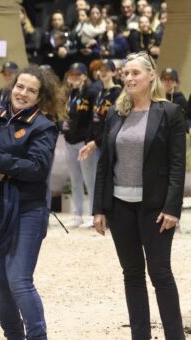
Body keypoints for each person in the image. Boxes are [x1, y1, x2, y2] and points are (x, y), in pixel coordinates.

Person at [93, 51, 186, 340]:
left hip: (156, 209)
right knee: (132, 275)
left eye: (135, 73)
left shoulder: (169, 113)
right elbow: (105, 164)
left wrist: (172, 208)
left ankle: (175, 336)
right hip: (120, 207)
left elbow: (176, 165)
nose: (129, 77)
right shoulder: (115, 113)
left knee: (160, 274)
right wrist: (99, 208)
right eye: (126, 73)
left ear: (151, 76)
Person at [0, 65, 65, 340]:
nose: (23, 93)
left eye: (31, 90)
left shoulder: (44, 127)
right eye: (20, 87)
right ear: (13, 87)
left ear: (40, 97)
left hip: (28, 211)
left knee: (19, 281)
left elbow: (37, 169)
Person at [61, 62, 98, 228]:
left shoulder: (91, 93)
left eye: (77, 74)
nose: (74, 77)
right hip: (70, 141)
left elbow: (92, 119)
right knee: (75, 179)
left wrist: (90, 140)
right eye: (71, 75)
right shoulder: (70, 93)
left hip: (84, 142)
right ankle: (77, 214)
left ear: (84, 76)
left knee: (90, 179)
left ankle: (93, 214)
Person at [79, 59, 122, 165]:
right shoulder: (99, 92)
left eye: (106, 70)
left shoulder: (118, 93)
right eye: (101, 70)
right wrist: (88, 141)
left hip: (107, 143)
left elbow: (115, 125)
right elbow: (93, 119)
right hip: (96, 142)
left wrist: (96, 142)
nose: (103, 73)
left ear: (113, 72)